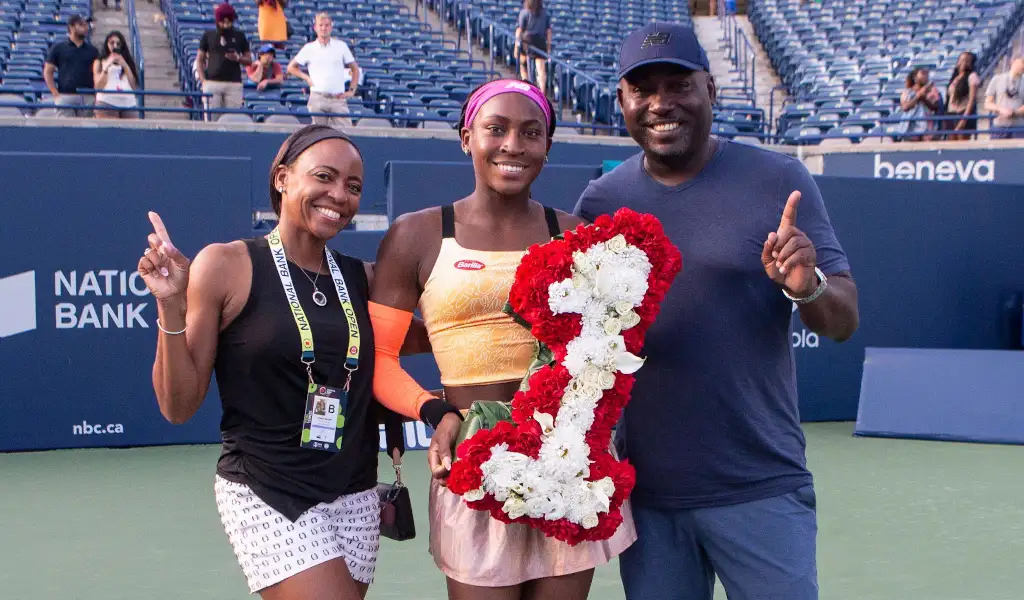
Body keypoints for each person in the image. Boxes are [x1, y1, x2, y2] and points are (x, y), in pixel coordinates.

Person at [572, 23, 859, 600]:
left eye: (678, 84)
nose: (660, 103)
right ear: (623, 102)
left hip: (760, 486)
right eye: (641, 89)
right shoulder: (599, 203)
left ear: (710, 88)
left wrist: (806, 287)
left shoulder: (780, 178)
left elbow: (843, 319)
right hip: (649, 498)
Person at [368, 79, 637, 600]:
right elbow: (380, 357)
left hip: (568, 465)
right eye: (496, 129)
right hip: (473, 461)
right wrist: (435, 413)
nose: (513, 145)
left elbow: (600, 355)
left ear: (547, 148)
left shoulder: (576, 234)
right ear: (467, 137)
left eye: (530, 132)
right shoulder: (416, 234)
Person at [138, 124, 431, 600]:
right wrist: (170, 304)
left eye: (353, 187)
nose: (339, 195)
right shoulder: (225, 265)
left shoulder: (364, 278)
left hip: (354, 495)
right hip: (266, 489)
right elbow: (178, 405)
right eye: (324, 177)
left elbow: (435, 336)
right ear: (282, 178)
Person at [288, 13, 361, 128]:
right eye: (320, 25)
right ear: (315, 27)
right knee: (318, 134)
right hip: (318, 97)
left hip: (338, 99)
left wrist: (352, 90)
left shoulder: (341, 46)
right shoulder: (309, 48)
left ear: (331, 27)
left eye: (326, 25)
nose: (323, 28)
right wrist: (307, 78)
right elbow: (291, 67)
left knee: (346, 132)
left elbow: (355, 69)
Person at [197, 3, 252, 121]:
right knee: (212, 121)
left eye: (229, 22)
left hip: (234, 84)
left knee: (233, 121)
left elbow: (249, 60)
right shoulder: (208, 35)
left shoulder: (240, 35)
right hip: (212, 83)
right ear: (218, 20)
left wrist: (238, 58)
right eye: (223, 22)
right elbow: (200, 59)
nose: (226, 25)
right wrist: (203, 81)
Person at [43, 15, 98, 117]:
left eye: (86, 25)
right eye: (81, 25)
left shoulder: (93, 51)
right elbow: (48, 71)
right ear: (72, 27)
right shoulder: (59, 48)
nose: (85, 27)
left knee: (87, 130)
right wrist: (55, 94)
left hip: (88, 97)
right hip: (65, 96)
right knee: (65, 130)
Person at [92, 30, 140, 120]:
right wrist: (107, 66)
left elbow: (134, 86)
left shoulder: (128, 62)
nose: (115, 46)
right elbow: (98, 86)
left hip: (128, 103)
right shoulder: (99, 62)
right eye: (112, 43)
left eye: (118, 44)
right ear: (107, 44)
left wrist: (125, 65)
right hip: (106, 102)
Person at [514, 0, 552, 95]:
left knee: (523, 63)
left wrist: (516, 46)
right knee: (540, 68)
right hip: (540, 41)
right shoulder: (545, 13)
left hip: (528, 41)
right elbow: (549, 32)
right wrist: (548, 47)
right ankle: (542, 92)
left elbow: (519, 30)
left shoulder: (525, 12)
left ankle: (525, 87)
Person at [983, 57, 1024, 140]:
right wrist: (1001, 109)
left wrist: (1014, 112)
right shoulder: (997, 79)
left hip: (1019, 126)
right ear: (1013, 61)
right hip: (999, 126)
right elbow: (987, 103)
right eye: (1022, 62)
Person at [898, 66, 942, 141]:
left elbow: (936, 107)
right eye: (923, 73)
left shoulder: (933, 90)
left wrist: (924, 98)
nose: (926, 76)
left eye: (927, 74)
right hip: (911, 127)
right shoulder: (907, 92)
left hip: (928, 126)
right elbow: (905, 107)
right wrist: (918, 96)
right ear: (915, 77)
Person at [943, 51, 979, 141]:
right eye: (962, 60)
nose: (963, 63)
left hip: (962, 113)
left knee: (962, 142)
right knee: (950, 142)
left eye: (967, 61)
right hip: (951, 113)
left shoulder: (972, 76)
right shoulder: (955, 77)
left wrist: (964, 119)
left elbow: (971, 99)